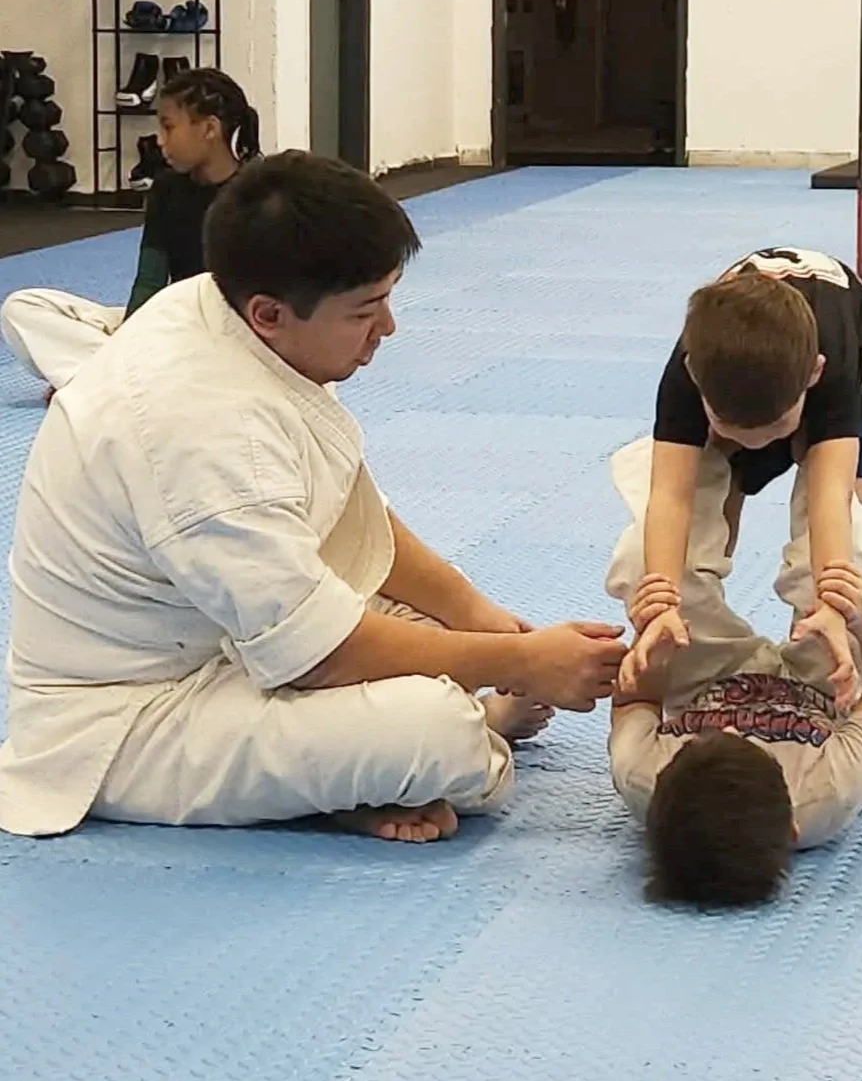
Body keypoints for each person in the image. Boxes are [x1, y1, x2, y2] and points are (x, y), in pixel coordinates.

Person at [0, 151, 628, 844]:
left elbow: (348, 517)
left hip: (220, 632)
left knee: (435, 623)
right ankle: (428, 750)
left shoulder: (221, 306)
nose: (387, 328)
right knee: (434, 732)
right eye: (366, 310)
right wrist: (521, 664)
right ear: (270, 313)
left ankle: (354, 770)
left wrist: (482, 621)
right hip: (131, 715)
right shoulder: (201, 430)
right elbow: (320, 654)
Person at [606, 437, 862, 909]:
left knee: (644, 566)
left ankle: (703, 455)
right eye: (751, 744)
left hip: (709, 677)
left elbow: (636, 700)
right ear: (793, 827)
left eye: (705, 739)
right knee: (851, 562)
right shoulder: (831, 788)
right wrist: (859, 616)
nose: (733, 727)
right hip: (824, 683)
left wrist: (653, 636)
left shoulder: (642, 775)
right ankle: (828, 460)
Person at [624, 247, 862, 708]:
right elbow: (670, 498)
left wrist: (832, 608)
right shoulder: (688, 372)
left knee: (852, 542)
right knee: (674, 544)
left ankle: (824, 676)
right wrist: (664, 603)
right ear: (695, 378)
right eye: (729, 427)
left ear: (813, 374)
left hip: (843, 346)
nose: (758, 443)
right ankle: (711, 668)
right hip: (753, 385)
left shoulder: (834, 370)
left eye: (777, 429)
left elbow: (830, 499)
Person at [1, 67, 260, 393]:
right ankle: (111, 375)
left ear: (209, 128)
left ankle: (101, 377)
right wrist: (131, 334)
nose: (160, 141)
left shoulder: (257, 194)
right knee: (21, 309)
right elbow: (149, 280)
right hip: (167, 326)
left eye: (168, 127)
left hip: (223, 337)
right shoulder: (166, 189)